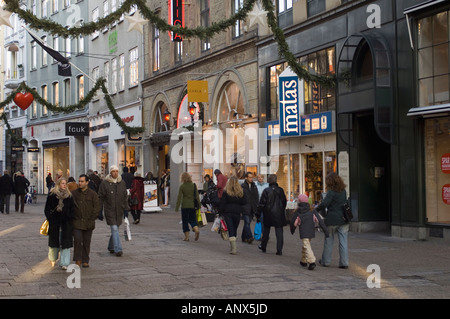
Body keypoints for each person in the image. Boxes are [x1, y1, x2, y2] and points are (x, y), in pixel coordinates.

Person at [315, 172, 349, 269]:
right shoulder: (343, 191)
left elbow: (324, 204)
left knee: (329, 240)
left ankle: (326, 261)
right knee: (343, 241)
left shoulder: (331, 192)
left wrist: (316, 209)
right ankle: (344, 262)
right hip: (343, 218)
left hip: (332, 219)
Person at [290, 194, 329, 270]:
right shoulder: (312, 210)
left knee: (306, 245)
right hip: (311, 231)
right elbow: (320, 220)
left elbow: (292, 222)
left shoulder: (298, 211)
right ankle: (303, 260)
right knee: (306, 244)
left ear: (299, 201)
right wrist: (325, 230)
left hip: (304, 231)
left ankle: (311, 262)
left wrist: (292, 230)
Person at [98, 165, 129, 257]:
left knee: (116, 229)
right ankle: (118, 249)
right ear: (110, 173)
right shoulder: (105, 183)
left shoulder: (121, 182)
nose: (115, 173)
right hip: (109, 209)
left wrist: (126, 208)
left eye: (116, 171)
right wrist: (99, 210)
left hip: (119, 209)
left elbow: (124, 196)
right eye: (113, 171)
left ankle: (111, 246)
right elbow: (101, 197)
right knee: (114, 228)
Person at [44, 178, 74, 269]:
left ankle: (65, 263)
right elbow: (47, 209)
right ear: (58, 184)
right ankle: (53, 259)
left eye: (65, 183)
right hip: (55, 222)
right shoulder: (52, 195)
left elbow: (72, 209)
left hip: (66, 223)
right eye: (62, 183)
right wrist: (51, 218)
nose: (64, 185)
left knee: (66, 243)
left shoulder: (69, 196)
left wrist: (69, 216)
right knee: (54, 242)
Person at [72, 174, 100, 268]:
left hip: (89, 222)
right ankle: (78, 259)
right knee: (77, 240)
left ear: (87, 182)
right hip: (77, 222)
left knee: (86, 242)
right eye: (79, 181)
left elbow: (97, 208)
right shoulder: (74, 194)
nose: (80, 183)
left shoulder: (93, 194)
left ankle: (85, 260)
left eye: (82, 181)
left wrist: (92, 218)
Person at [257, 174, 287, 255]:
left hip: (268, 212)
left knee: (266, 230)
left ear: (269, 181)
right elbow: (284, 201)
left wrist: (258, 213)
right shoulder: (280, 190)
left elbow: (262, 203)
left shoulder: (266, 190)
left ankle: (263, 246)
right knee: (279, 231)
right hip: (278, 213)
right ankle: (279, 249)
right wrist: (281, 209)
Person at [219, 176, 246, 255]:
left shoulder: (226, 191)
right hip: (237, 212)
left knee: (230, 228)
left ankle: (233, 248)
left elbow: (222, 203)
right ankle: (233, 245)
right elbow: (244, 201)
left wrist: (220, 212)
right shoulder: (240, 191)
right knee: (234, 228)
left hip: (228, 212)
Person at [175, 172, 201, 241]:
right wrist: (199, 205)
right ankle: (196, 228)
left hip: (184, 206)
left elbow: (179, 197)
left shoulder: (182, 186)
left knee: (185, 221)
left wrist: (177, 207)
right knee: (192, 219)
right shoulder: (193, 185)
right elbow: (197, 196)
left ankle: (187, 237)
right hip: (192, 205)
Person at [241, 172, 259, 244]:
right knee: (247, 222)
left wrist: (256, 205)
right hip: (245, 207)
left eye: (252, 177)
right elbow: (241, 197)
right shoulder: (243, 186)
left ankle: (243, 237)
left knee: (247, 223)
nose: (251, 179)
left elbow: (256, 196)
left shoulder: (254, 186)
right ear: (246, 178)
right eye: (250, 177)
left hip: (252, 208)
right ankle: (249, 237)